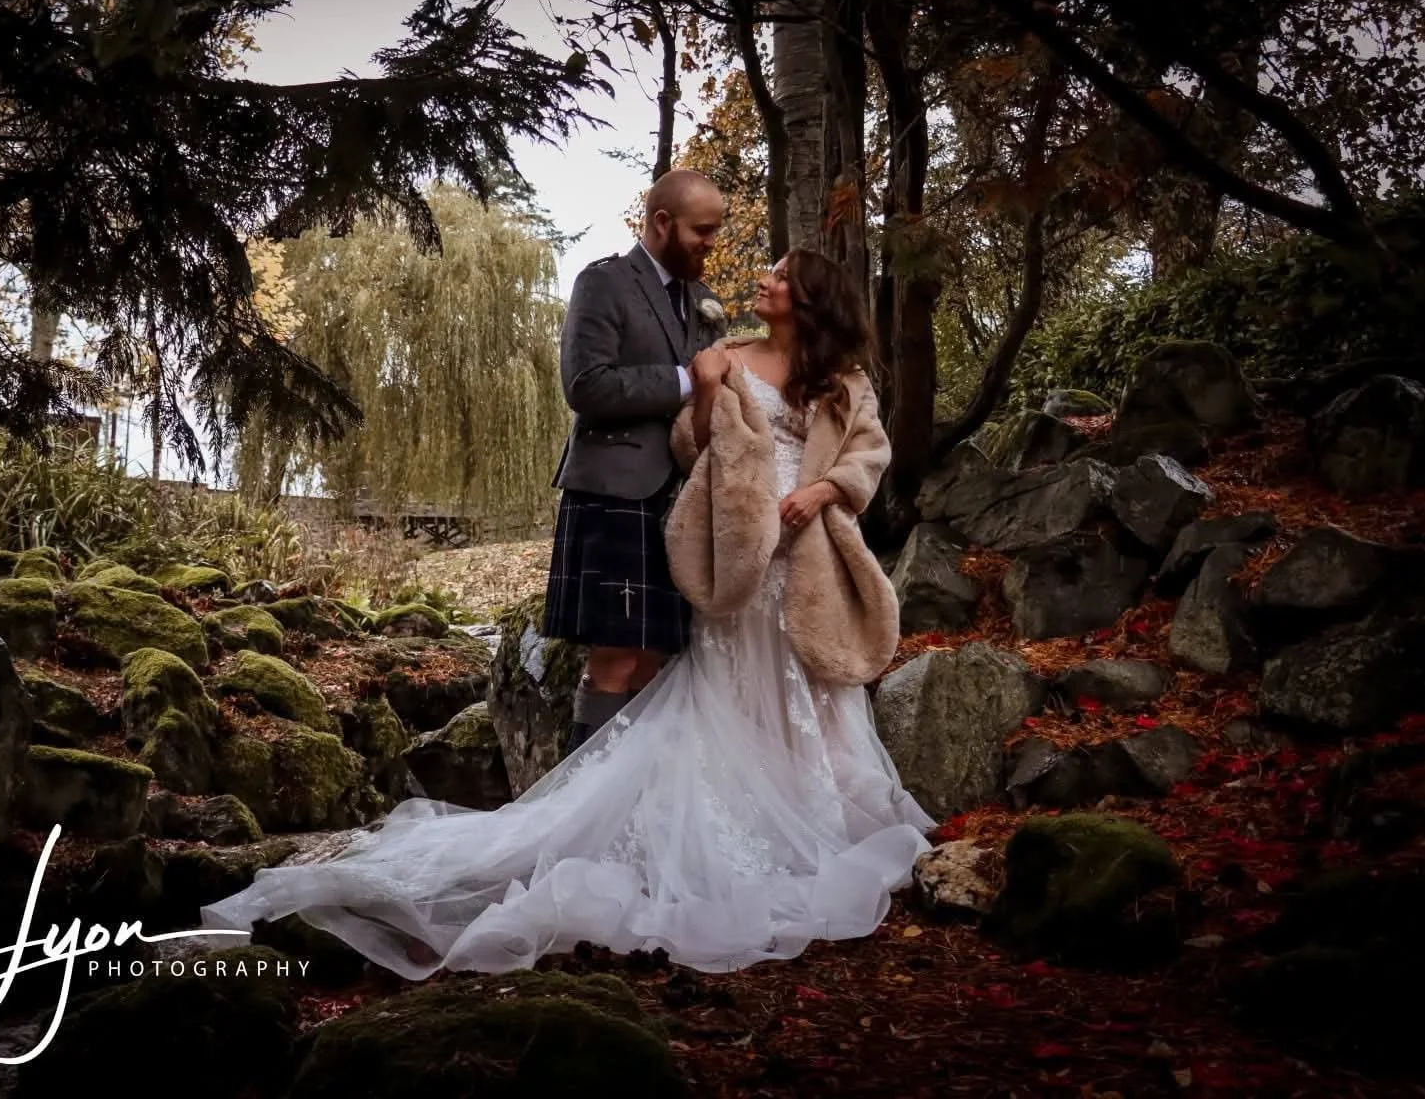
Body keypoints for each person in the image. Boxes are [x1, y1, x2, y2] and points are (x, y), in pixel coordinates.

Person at [198, 247, 935, 979]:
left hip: (807, 552)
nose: (764, 281)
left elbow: (869, 454)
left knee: (810, 675)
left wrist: (823, 493)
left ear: (810, 298)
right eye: (769, 271)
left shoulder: (846, 382)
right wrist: (706, 389)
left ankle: (818, 815)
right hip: (739, 549)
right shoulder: (728, 354)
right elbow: (691, 443)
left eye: (779, 275)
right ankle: (718, 826)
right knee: (731, 678)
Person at [543, 168, 726, 756]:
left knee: (656, 658)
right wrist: (683, 380)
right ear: (662, 223)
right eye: (703, 229)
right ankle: (580, 801)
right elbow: (585, 384)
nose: (711, 242)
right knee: (615, 658)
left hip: (682, 498)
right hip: (613, 493)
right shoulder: (604, 283)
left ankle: (631, 805)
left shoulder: (702, 300)